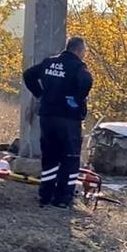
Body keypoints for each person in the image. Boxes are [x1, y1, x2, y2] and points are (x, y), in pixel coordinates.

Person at [22, 36, 94, 208]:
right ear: (79, 50)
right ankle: (63, 198)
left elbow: (28, 75)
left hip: (47, 116)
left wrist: (41, 94)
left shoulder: (49, 62)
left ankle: (46, 195)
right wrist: (77, 99)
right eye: (84, 51)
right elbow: (87, 82)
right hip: (68, 118)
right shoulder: (78, 67)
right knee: (70, 158)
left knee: (50, 156)